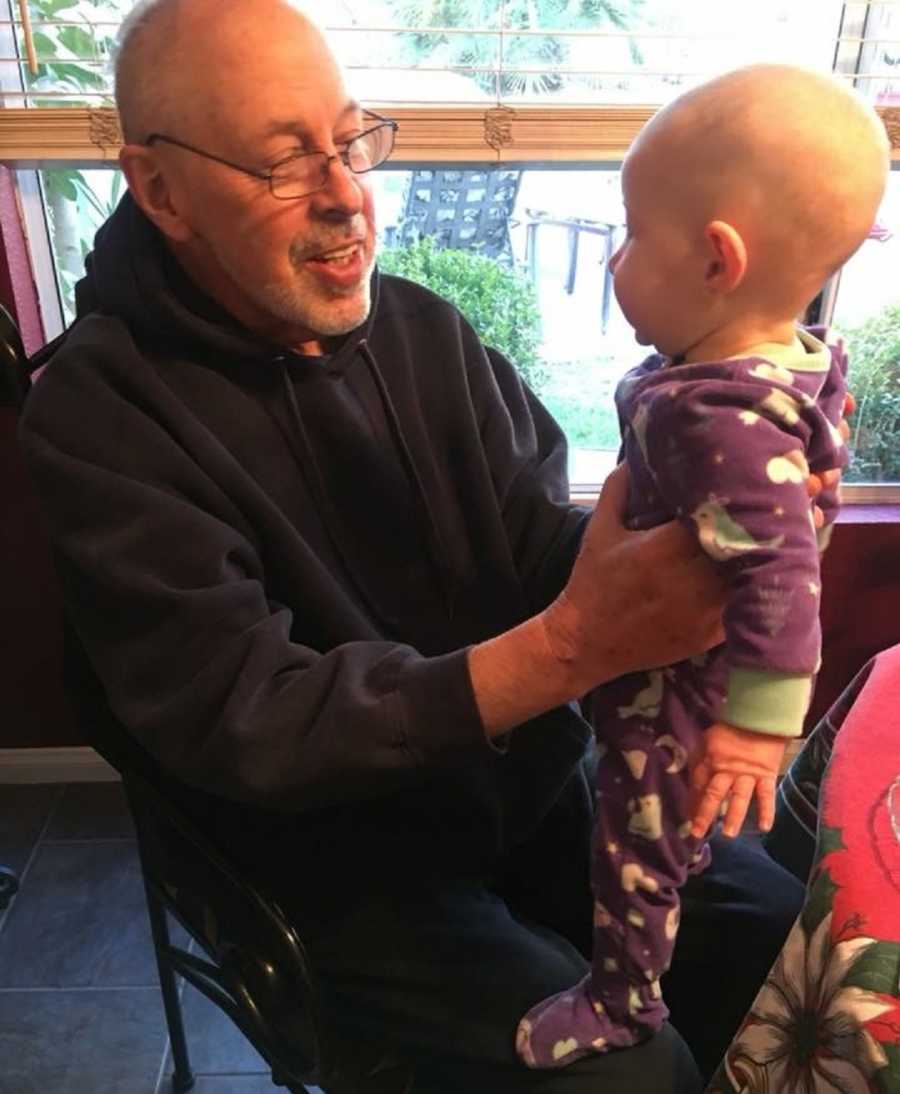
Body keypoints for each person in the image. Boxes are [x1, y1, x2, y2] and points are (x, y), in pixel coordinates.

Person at [18, 3, 819, 1090]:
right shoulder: (94, 417)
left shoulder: (424, 331)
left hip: (524, 788)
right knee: (628, 1077)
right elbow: (256, 721)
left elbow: (547, 550)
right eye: (282, 160)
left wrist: (703, 542)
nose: (347, 192)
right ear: (160, 190)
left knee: (780, 932)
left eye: (350, 139)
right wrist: (576, 644)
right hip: (326, 868)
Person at [517, 64, 889, 1073]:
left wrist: (760, 725)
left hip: (676, 690)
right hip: (690, 661)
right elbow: (804, 484)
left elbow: (782, 574)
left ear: (718, 259)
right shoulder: (794, 360)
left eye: (630, 233)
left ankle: (621, 998)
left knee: (629, 849)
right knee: (671, 837)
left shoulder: (713, 412)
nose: (615, 257)